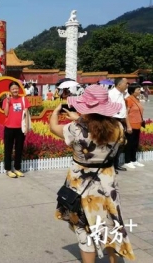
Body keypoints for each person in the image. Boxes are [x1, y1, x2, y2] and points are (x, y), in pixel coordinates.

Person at [49, 85, 135, 263]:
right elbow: (104, 132)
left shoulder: (76, 129)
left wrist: (56, 112)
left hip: (81, 186)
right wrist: (80, 119)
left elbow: (54, 128)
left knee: (84, 228)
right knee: (110, 223)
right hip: (107, 183)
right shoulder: (118, 127)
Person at [2, 81, 30, 178]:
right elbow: (5, 113)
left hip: (20, 128)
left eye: (16, 88)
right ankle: (8, 169)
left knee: (19, 149)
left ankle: (17, 168)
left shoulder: (23, 99)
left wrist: (26, 126)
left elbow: (26, 113)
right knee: (8, 150)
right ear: (10, 90)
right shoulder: (6, 100)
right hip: (9, 128)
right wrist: (8, 102)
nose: (15, 90)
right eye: (13, 89)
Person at [108, 78, 131, 173]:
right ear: (119, 85)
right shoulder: (111, 94)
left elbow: (124, 111)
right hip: (113, 121)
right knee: (112, 144)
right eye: (126, 83)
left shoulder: (122, 94)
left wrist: (127, 124)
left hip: (121, 121)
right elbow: (108, 109)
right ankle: (110, 166)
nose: (127, 85)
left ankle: (116, 164)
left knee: (120, 144)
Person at [124, 83, 145, 169]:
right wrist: (128, 126)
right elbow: (126, 113)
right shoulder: (128, 100)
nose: (140, 91)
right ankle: (127, 161)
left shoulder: (137, 99)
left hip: (138, 125)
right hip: (131, 125)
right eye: (138, 90)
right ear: (132, 91)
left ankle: (133, 160)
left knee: (135, 144)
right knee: (129, 144)